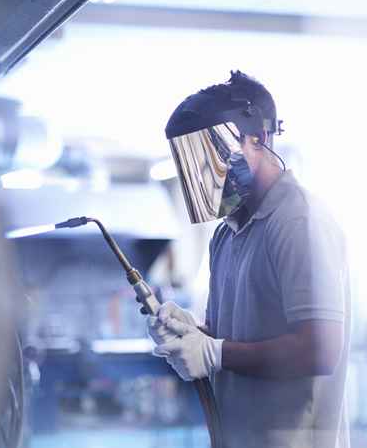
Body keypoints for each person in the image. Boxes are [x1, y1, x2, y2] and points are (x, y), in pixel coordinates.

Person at [147, 71, 350, 448]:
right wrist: (194, 335)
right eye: (192, 162)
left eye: (211, 158)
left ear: (257, 138)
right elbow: (239, 343)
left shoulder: (299, 220)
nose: (202, 175)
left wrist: (215, 353)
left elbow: (320, 349)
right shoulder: (227, 233)